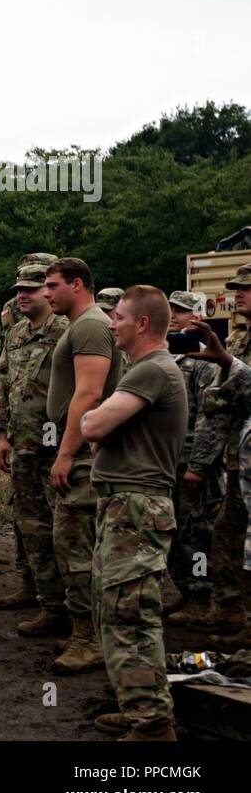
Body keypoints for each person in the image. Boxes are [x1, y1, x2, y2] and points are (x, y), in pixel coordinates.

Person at [81, 285, 186, 741]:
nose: (111, 324)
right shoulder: (147, 370)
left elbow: (94, 425)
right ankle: (138, 704)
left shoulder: (151, 370)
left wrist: (92, 419)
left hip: (136, 508)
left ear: (141, 323)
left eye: (119, 317)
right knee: (115, 609)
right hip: (127, 506)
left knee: (131, 614)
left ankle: (152, 724)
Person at [44, 257, 121, 675]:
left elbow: (89, 395)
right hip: (84, 450)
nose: (46, 293)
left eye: (53, 285)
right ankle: (87, 630)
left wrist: (66, 453)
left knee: (75, 546)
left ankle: (88, 639)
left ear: (77, 284)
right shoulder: (82, 324)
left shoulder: (90, 325)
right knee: (77, 544)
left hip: (86, 456)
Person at [0, 263, 69, 633]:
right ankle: (49, 603)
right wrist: (2, 435)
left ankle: (77, 608)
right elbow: (6, 385)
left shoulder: (67, 331)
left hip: (57, 448)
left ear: (48, 293)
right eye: (19, 289)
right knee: (31, 527)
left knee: (64, 529)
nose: (22, 295)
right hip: (23, 446)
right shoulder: (17, 333)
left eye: (32, 289)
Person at [183, 263, 251, 646]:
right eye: (235, 288)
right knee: (226, 536)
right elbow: (223, 404)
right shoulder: (238, 339)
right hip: (236, 457)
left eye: (245, 288)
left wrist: (225, 364)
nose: (237, 294)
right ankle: (231, 612)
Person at [162, 290, 227, 625]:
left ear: (197, 318)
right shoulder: (172, 359)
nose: (174, 316)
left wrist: (200, 465)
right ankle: (188, 591)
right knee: (176, 533)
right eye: (171, 310)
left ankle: (203, 596)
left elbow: (211, 418)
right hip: (170, 461)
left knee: (197, 534)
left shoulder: (203, 363)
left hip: (193, 463)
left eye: (182, 311)